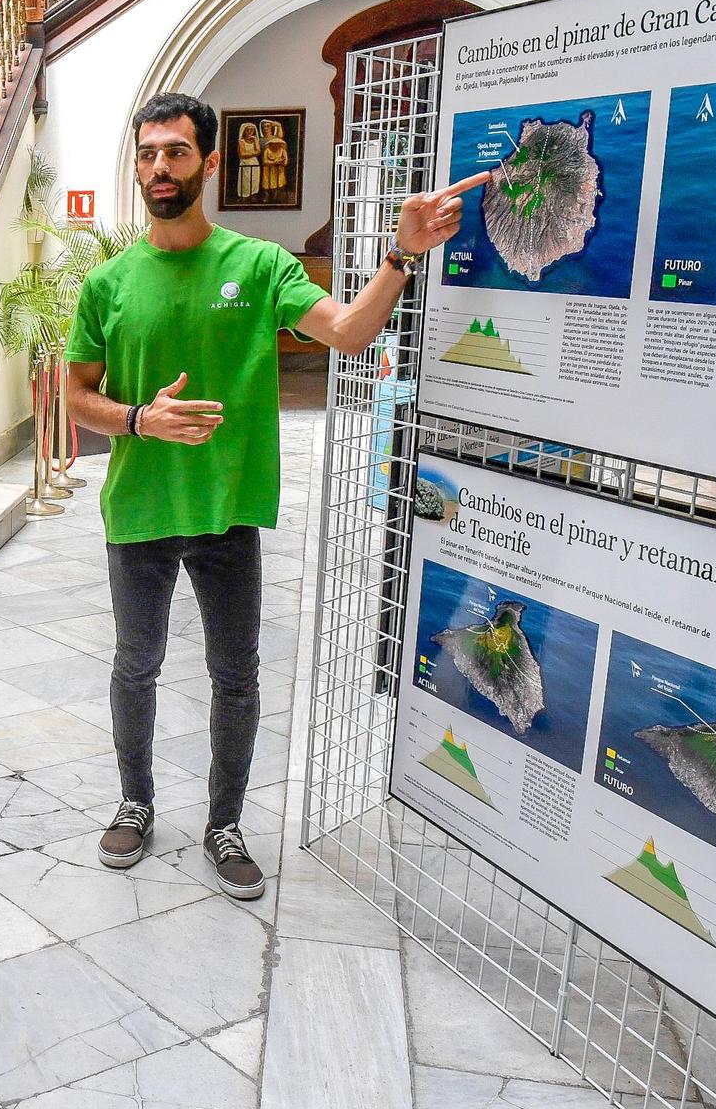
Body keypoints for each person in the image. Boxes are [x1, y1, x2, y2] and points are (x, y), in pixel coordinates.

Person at [63, 92, 483, 898]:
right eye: (148, 154)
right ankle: (135, 802)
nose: (159, 168)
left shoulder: (259, 267)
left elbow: (350, 332)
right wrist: (140, 419)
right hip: (140, 510)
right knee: (134, 666)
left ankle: (225, 821)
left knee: (237, 674)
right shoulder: (109, 282)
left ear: (210, 163)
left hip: (226, 515)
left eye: (176, 153)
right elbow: (75, 397)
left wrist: (400, 254)